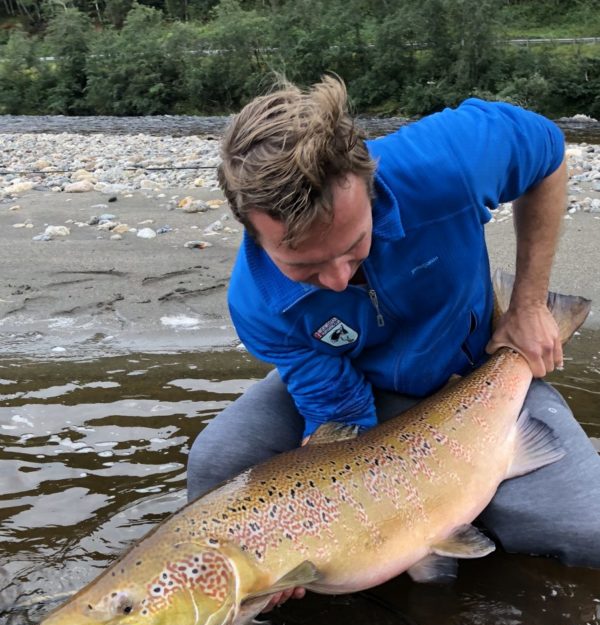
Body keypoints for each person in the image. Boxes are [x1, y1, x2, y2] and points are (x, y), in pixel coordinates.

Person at [187, 76, 600, 592]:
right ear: (250, 227)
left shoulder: (446, 161)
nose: (339, 279)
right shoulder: (256, 304)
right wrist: (330, 531)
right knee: (217, 463)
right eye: (306, 266)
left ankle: (467, 499)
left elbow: (548, 150)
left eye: (354, 244)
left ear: (369, 179)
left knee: (590, 530)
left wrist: (530, 304)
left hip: (476, 372)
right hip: (363, 389)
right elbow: (341, 414)